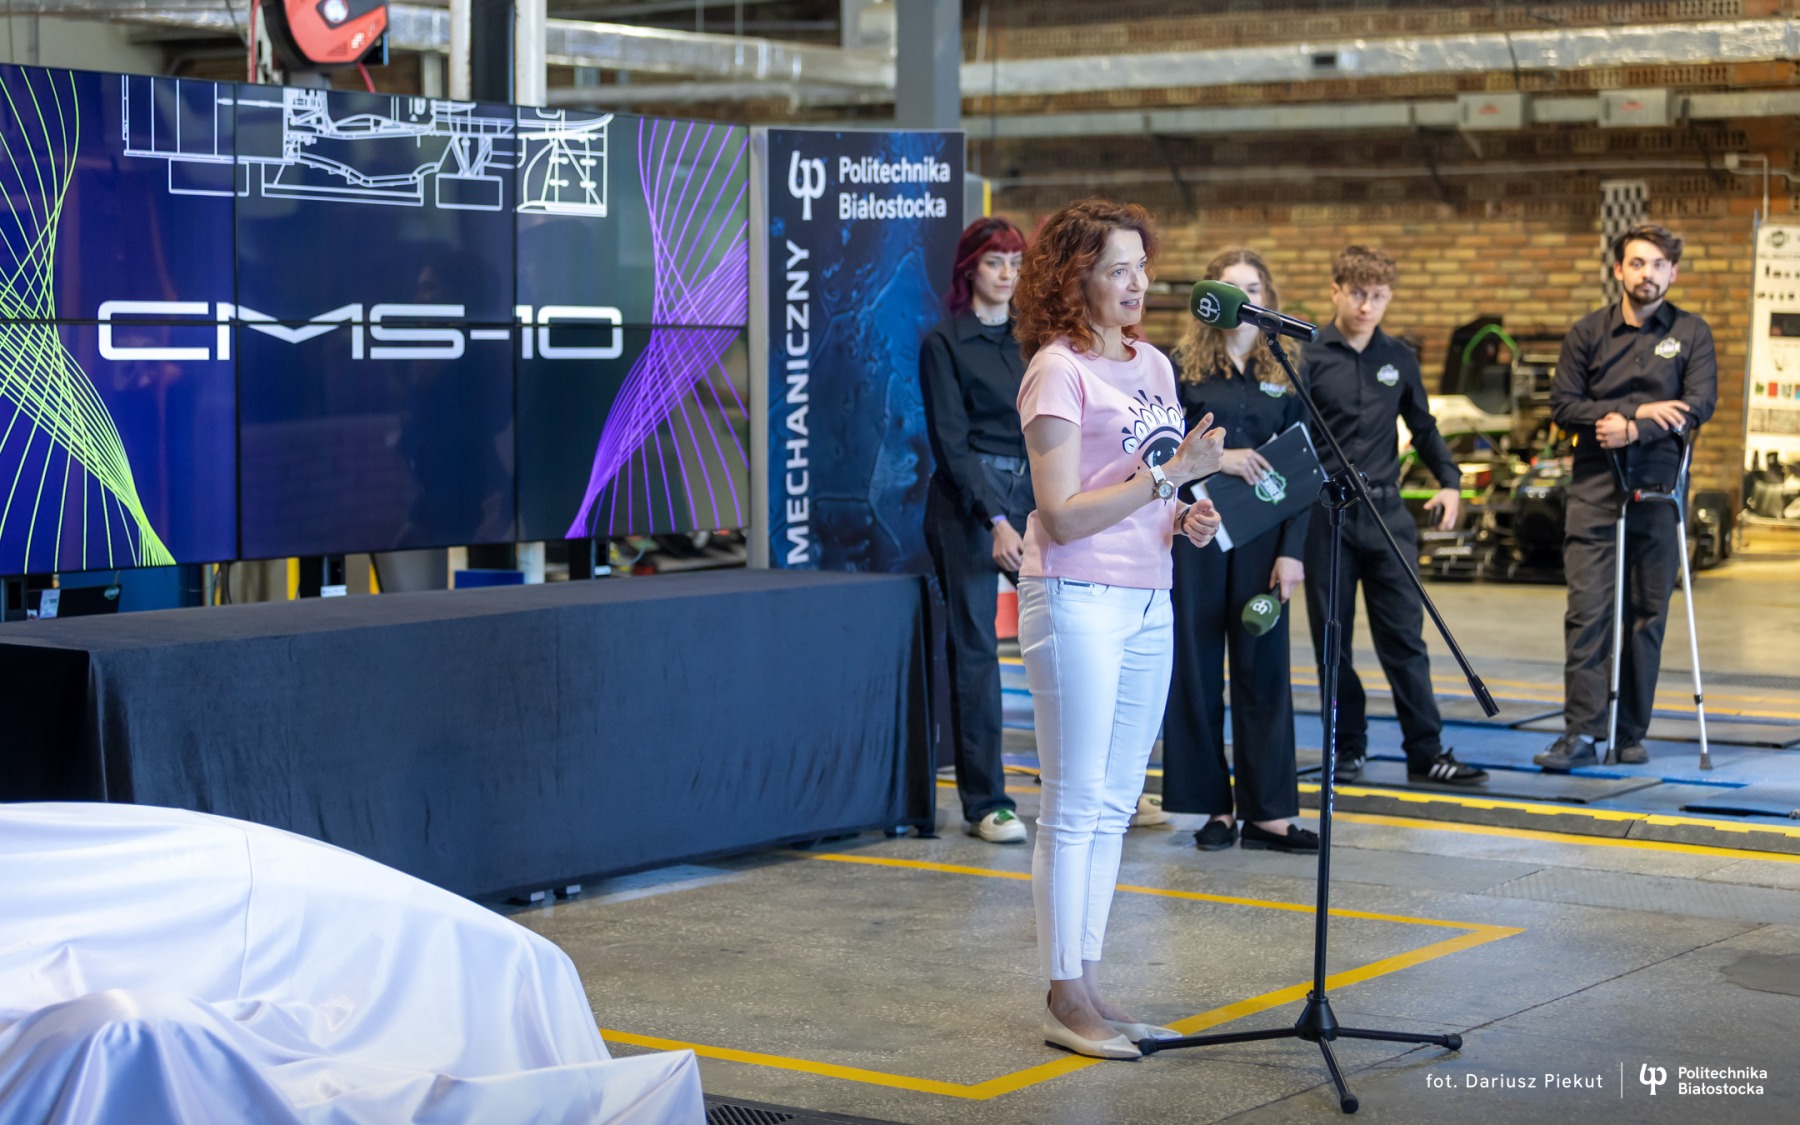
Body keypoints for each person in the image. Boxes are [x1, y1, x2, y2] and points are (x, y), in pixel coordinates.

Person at [1011, 198, 1225, 1060]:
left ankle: (1091, 983)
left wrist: (1186, 511)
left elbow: (1154, 486)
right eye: (1116, 269)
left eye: (1142, 266)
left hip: (1148, 596)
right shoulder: (1056, 372)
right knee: (1071, 804)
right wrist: (1169, 478)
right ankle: (1063, 994)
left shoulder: (1156, 365)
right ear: (1075, 279)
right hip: (1076, 596)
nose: (1137, 283)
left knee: (1113, 805)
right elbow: (1062, 514)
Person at [1300, 246, 1487, 786]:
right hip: (1327, 518)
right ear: (1336, 291)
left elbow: (1423, 427)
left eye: (1378, 296)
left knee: (1405, 639)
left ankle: (1426, 753)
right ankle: (1347, 748)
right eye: (1357, 294)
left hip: (1386, 516)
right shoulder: (1308, 356)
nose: (1367, 306)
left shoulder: (1399, 357)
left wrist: (1450, 481)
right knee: (1332, 643)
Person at [1534, 223, 1717, 771]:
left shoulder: (1691, 332)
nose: (1647, 274)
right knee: (1587, 613)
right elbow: (1563, 405)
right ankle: (1582, 733)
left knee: (1646, 615)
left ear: (1672, 272)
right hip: (1595, 492)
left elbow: (1698, 404)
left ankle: (1630, 732)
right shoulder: (1587, 333)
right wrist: (1629, 412)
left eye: (1658, 265)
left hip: (1659, 494)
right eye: (1637, 263)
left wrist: (1637, 428)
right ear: (1619, 270)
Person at [1161, 249, 1318, 854]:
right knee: (1197, 670)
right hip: (1197, 533)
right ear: (1211, 300)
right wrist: (1220, 459)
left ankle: (1268, 813)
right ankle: (1214, 809)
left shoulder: (1289, 366)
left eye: (1253, 288)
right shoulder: (1180, 367)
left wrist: (1293, 551)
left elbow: (1305, 463)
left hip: (1263, 539)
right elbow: (1162, 447)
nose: (1244, 299)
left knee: (1264, 670)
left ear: (1267, 297)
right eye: (1231, 288)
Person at [919, 217, 1033, 843]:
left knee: (1066, 640)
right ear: (969, 269)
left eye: (1015, 262)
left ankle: (1092, 790)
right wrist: (996, 519)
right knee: (977, 651)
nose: (1008, 273)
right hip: (968, 503)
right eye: (995, 261)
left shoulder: (1035, 339)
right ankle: (987, 802)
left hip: (1034, 492)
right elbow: (951, 444)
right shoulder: (944, 342)